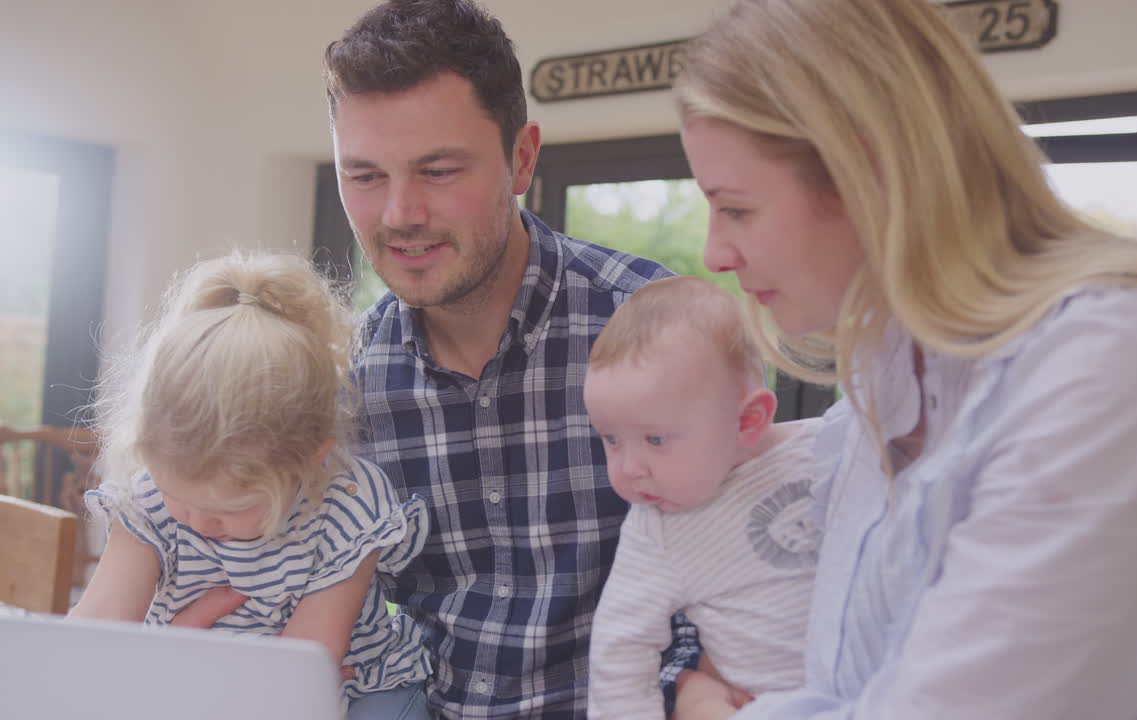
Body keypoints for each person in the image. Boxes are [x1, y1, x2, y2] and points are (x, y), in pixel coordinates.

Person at [670, 0, 1137, 718]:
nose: (715, 253)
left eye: (736, 209)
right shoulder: (888, 371)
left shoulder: (1109, 360)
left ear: (869, 170)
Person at [320, 1, 698, 716]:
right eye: (364, 176)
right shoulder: (342, 382)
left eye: (437, 170)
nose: (399, 214)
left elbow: (733, 585)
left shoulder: (656, 328)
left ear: (521, 158)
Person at [71, 252, 432, 717]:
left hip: (361, 686)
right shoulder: (147, 503)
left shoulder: (346, 504)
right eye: (176, 496)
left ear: (309, 460)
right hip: (199, 677)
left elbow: (299, 674)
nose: (198, 522)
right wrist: (170, 652)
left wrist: (178, 661)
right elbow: (92, 640)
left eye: (228, 510)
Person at [584, 276, 823, 719]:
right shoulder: (656, 528)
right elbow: (620, 654)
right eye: (611, 439)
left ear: (748, 420)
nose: (629, 467)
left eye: (655, 439)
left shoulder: (829, 451)